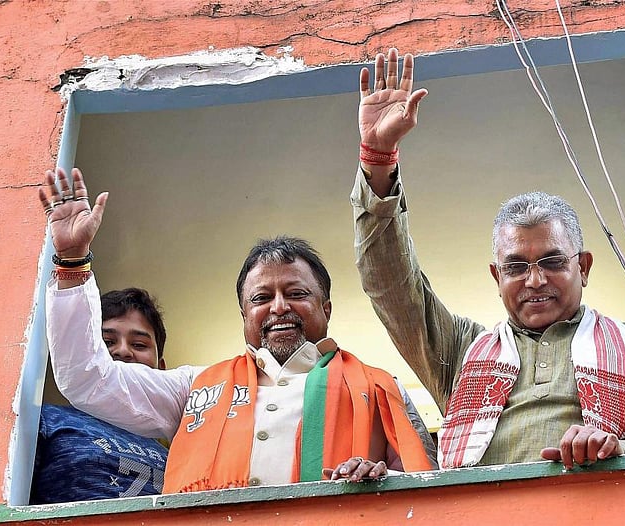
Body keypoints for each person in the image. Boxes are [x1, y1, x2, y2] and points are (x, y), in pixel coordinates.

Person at [350, 48, 625, 470]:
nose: (534, 281)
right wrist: (378, 159)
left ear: (584, 267)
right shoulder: (461, 351)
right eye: (516, 267)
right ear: (496, 277)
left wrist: (615, 448)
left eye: (552, 262)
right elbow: (393, 289)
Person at [37, 167, 434, 491]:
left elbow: (433, 488)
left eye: (296, 292)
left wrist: (380, 482)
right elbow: (86, 378)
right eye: (262, 299)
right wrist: (72, 262)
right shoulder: (194, 387)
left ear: (325, 308)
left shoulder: (381, 386)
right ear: (245, 315)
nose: (279, 307)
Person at [32, 288, 170, 503]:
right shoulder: (46, 420)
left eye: (139, 345)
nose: (123, 351)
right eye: (107, 341)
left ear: (161, 369)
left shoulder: (178, 452)